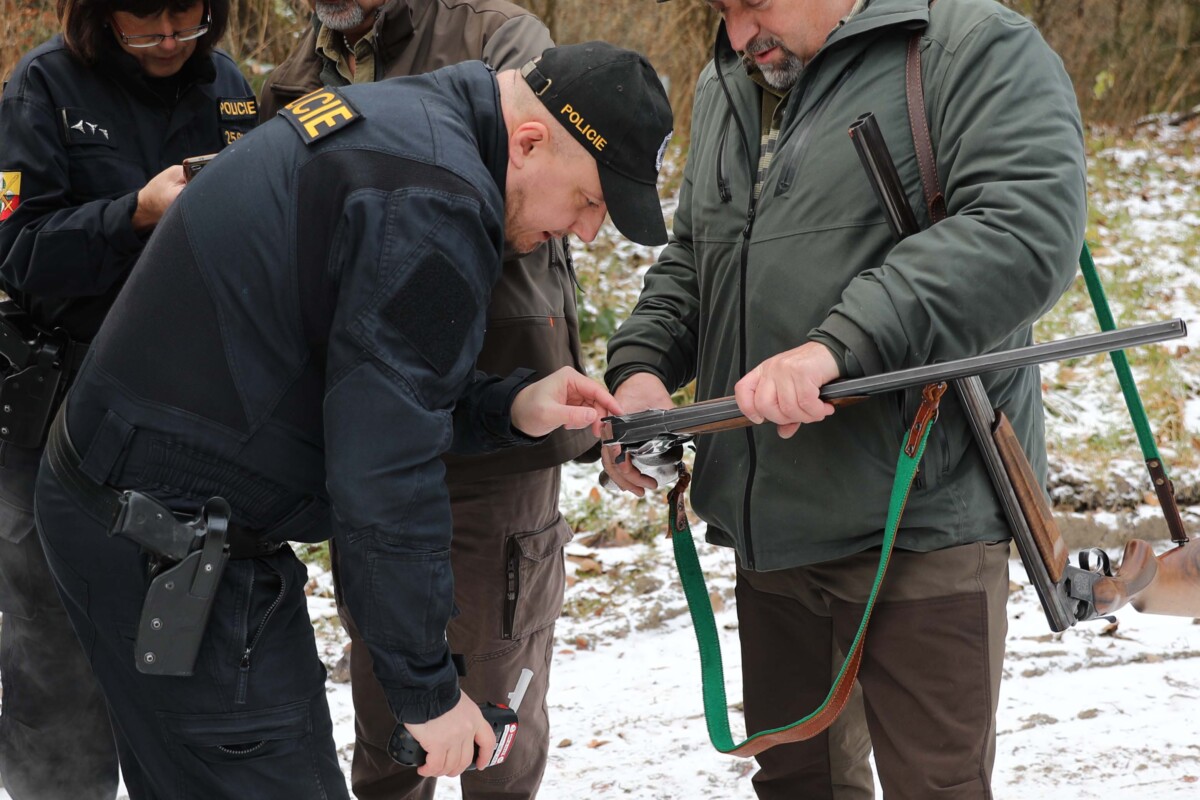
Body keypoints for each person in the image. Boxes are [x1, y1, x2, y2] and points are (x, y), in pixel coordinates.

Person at [33, 41, 672, 799]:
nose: (589, 232)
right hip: (165, 538)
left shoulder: (413, 128)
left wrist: (509, 406)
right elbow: (384, 473)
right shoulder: (432, 200)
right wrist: (426, 693)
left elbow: (367, 378)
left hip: (135, 502)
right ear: (531, 143)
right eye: (591, 201)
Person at [601, 0, 1086, 798]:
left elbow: (1024, 227)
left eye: (752, 4)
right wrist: (642, 374)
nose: (736, 34)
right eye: (723, 10)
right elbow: (696, 260)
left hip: (923, 524)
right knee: (797, 785)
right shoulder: (731, 80)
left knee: (936, 787)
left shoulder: (971, 45)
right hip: (769, 537)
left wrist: (838, 343)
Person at [259, 4, 594, 798]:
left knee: (493, 716)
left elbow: (540, 182)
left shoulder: (495, 36)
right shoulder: (295, 75)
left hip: (501, 418)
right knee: (391, 717)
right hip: (369, 425)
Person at [0, 1, 255, 797]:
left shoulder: (231, 88)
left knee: (186, 647)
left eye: (187, 20)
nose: (171, 42)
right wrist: (134, 214)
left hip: (193, 415)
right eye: (146, 25)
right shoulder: (41, 89)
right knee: (55, 653)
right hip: (60, 415)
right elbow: (15, 251)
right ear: (101, 16)